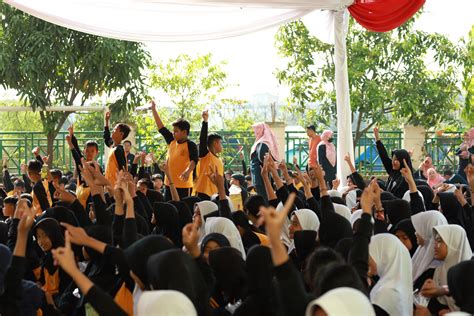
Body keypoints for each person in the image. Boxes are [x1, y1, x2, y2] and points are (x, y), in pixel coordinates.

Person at [150, 100, 198, 200]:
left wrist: (188, 171)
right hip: (168, 183)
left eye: (176, 131)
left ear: (184, 132)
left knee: (182, 210)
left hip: (184, 186)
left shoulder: (191, 145)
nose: (173, 133)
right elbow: (161, 128)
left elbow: (194, 161)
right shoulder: (172, 141)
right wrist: (154, 109)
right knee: (169, 210)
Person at [373, 127, 413, 198]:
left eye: (396, 160)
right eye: (393, 159)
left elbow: (399, 199)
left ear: (403, 161)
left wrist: (385, 194)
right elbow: (384, 156)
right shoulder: (393, 171)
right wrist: (377, 137)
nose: (393, 162)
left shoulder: (406, 179)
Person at [195, 110, 224, 200]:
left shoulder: (219, 160)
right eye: (220, 143)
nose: (221, 146)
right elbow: (202, 139)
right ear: (215, 143)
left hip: (215, 195)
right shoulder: (205, 155)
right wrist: (205, 122)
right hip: (203, 194)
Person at [250, 123, 280, 201]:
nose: (255, 132)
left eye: (257, 129)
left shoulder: (263, 143)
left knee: (265, 200)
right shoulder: (261, 142)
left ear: (261, 130)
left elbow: (262, 157)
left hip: (261, 177)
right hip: (259, 177)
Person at [103, 110, 131, 187]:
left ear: (121, 134)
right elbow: (107, 139)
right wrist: (106, 121)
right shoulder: (113, 147)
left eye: (115, 130)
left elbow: (123, 170)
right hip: (110, 186)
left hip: (116, 188)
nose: (113, 131)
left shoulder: (119, 150)